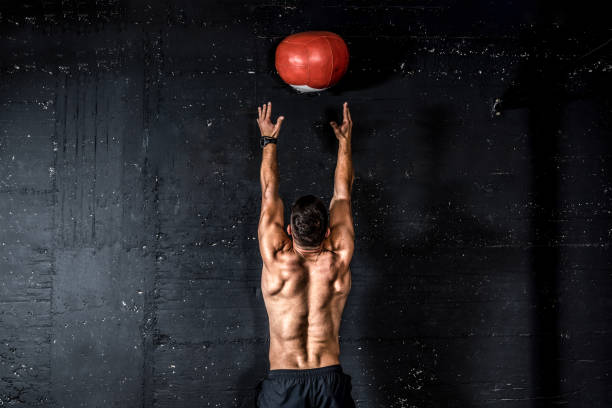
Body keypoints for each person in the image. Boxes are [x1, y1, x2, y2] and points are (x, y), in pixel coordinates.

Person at [254, 101, 356, 407]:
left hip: (284, 382)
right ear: (328, 233)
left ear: (288, 231)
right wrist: (345, 143)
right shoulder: (338, 257)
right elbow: (343, 194)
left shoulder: (276, 257)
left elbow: (269, 192)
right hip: (330, 380)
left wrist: (269, 140)